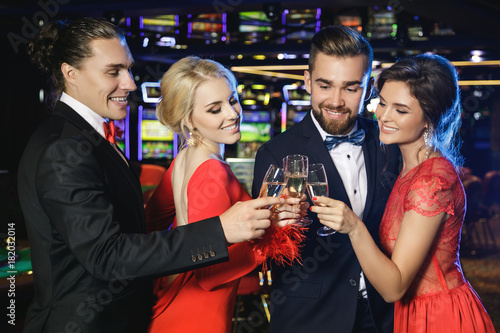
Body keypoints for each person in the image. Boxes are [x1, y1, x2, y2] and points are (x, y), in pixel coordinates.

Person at [18, 18, 284, 333]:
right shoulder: (62, 148)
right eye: (113, 71)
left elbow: (145, 226)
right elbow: (108, 256)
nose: (130, 83)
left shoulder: (87, 136)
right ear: (70, 73)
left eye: (128, 69)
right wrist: (227, 231)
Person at [312, 54, 496, 332]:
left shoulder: (431, 182)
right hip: (413, 312)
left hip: (438, 317)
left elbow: (393, 288)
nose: (383, 116)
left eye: (400, 110)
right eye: (382, 103)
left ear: (429, 119)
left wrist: (353, 227)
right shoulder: (407, 166)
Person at [251, 25, 400, 333]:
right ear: (307, 81)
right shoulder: (276, 153)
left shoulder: (388, 142)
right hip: (310, 317)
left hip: (382, 314)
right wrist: (276, 227)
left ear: (368, 87)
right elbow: (263, 247)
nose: (335, 101)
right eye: (325, 85)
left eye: (350, 87)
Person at [144, 56, 305, 333]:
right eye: (214, 109)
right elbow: (209, 273)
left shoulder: (183, 157)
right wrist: (271, 231)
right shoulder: (212, 172)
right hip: (197, 312)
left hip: (173, 296)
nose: (232, 114)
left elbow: (151, 225)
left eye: (232, 100)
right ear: (189, 120)